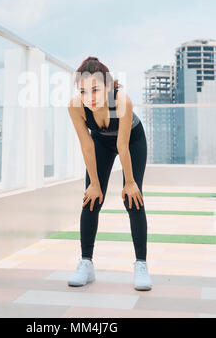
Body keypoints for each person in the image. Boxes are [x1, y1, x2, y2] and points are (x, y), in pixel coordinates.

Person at [67, 56, 152, 291]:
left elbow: (122, 147)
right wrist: (94, 183)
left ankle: (141, 264)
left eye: (95, 89)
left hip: (131, 140)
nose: (89, 98)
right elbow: (86, 145)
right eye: (83, 91)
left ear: (108, 85)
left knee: (133, 198)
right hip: (100, 143)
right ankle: (86, 263)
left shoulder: (122, 102)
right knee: (91, 198)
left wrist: (130, 182)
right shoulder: (75, 107)